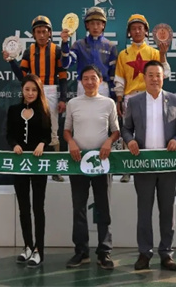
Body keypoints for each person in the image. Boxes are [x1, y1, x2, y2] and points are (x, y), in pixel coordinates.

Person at [121, 60, 176, 271]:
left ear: (163, 77)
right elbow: (126, 128)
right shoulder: (134, 101)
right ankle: (144, 253)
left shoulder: (174, 99)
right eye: (150, 75)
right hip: (144, 165)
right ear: (144, 77)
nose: (154, 79)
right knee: (144, 211)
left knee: (167, 211)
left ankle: (166, 253)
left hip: (167, 164)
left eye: (158, 75)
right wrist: (130, 141)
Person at [63, 65, 120, 270]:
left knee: (103, 206)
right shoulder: (73, 103)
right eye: (85, 78)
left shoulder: (108, 103)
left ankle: (104, 252)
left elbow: (116, 131)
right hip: (78, 162)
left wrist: (109, 142)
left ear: (100, 81)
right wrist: (71, 142)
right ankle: (81, 251)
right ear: (81, 82)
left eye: (93, 78)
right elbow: (66, 130)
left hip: (101, 163)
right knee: (78, 207)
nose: (89, 82)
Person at [4, 15, 68, 182]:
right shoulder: (28, 51)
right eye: (38, 32)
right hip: (33, 91)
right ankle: (33, 164)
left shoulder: (57, 50)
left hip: (51, 90)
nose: (41, 35)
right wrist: (11, 61)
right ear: (33, 34)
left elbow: (63, 76)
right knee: (32, 126)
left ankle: (56, 169)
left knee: (53, 129)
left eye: (44, 31)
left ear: (50, 33)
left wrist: (63, 98)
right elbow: (22, 76)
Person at [114, 14, 171, 183]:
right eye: (133, 28)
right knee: (128, 132)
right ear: (129, 32)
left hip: (150, 97)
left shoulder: (154, 52)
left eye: (140, 28)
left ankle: (147, 165)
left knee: (150, 131)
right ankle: (127, 169)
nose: (137, 31)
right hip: (130, 97)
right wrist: (119, 100)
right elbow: (119, 80)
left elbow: (165, 73)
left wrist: (162, 54)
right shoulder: (123, 54)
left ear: (146, 31)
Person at [6, 74, 53, 268]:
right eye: (27, 89)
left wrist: (42, 144)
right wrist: (14, 145)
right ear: (22, 91)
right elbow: (9, 134)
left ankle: (38, 250)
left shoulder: (44, 111)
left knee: (38, 207)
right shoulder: (13, 110)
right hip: (20, 164)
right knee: (23, 207)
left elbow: (47, 135)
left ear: (39, 91)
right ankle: (27, 246)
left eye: (34, 90)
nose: (30, 93)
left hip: (38, 164)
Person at [61, 7, 117, 98]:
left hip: (103, 86)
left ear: (103, 25)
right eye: (92, 23)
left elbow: (113, 74)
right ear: (87, 25)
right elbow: (66, 64)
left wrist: (114, 95)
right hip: (83, 85)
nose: (95, 27)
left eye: (98, 23)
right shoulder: (79, 44)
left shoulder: (110, 46)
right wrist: (65, 43)